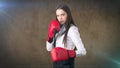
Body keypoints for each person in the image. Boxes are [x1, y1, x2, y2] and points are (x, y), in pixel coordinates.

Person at [46, 3, 87, 68]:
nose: (60, 18)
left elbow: (83, 51)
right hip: (55, 64)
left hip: (67, 64)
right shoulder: (57, 29)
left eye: (63, 14)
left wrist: (68, 53)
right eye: (58, 15)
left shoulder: (72, 29)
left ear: (68, 14)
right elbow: (49, 49)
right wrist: (50, 35)